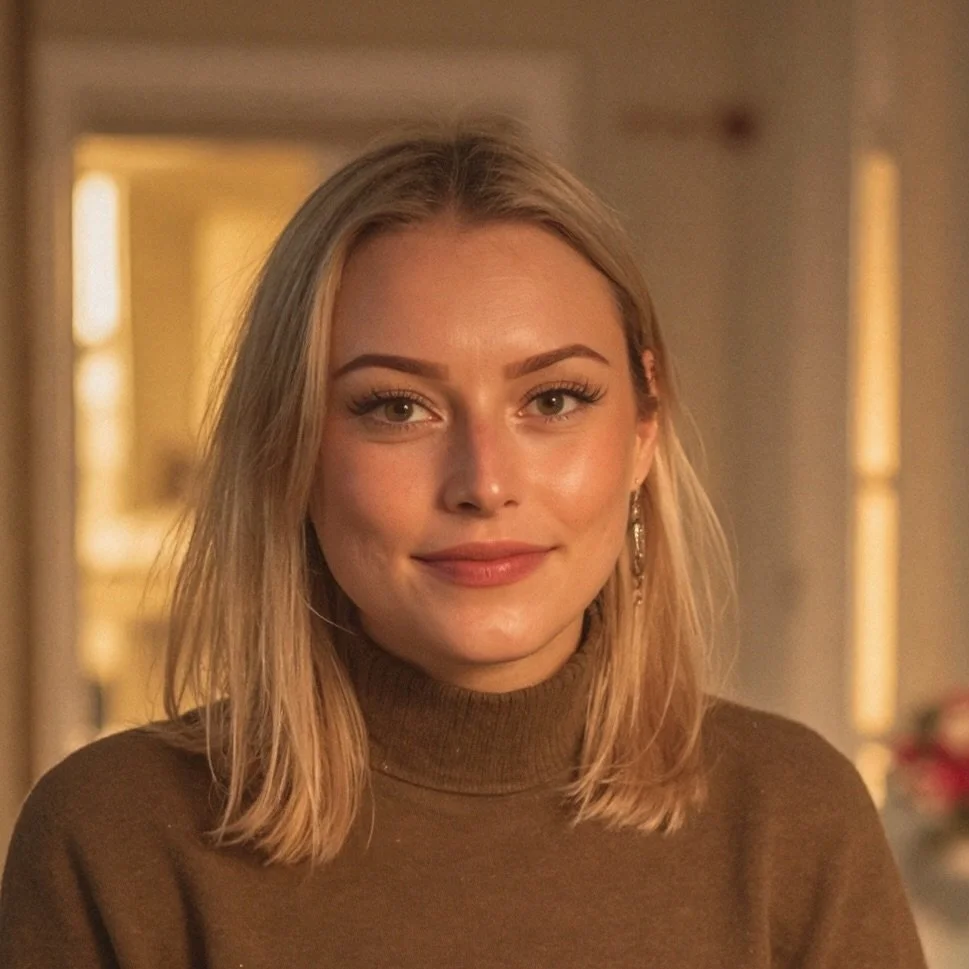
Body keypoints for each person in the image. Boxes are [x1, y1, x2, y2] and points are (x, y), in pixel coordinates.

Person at [0, 124, 926, 968]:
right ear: (292, 449)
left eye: (553, 399)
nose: (483, 482)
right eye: (396, 407)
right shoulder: (115, 837)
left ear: (644, 427)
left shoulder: (791, 819)